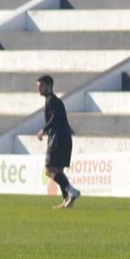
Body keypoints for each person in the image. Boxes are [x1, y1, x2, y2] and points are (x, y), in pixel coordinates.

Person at [35, 74, 79, 208]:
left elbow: (54, 117)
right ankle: (67, 200)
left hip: (57, 139)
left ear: (49, 86)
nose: (39, 89)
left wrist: (43, 129)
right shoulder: (55, 101)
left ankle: (72, 191)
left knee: (48, 169)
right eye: (38, 87)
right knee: (58, 171)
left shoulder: (51, 100)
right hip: (64, 139)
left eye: (41, 86)